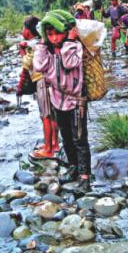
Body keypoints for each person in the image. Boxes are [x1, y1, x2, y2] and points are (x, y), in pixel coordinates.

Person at [32, 10, 91, 192]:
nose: (54, 38)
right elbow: (39, 66)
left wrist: (70, 41)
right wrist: (42, 44)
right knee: (65, 136)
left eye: (58, 33)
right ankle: (73, 168)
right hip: (57, 99)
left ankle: (85, 177)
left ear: (66, 32)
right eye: (50, 34)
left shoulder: (74, 47)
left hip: (76, 100)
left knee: (79, 139)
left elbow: (69, 63)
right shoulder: (47, 51)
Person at [19, 16, 60, 158]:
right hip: (51, 80)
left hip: (42, 80)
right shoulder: (43, 41)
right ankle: (54, 144)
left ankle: (48, 149)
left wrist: (22, 51)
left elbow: (28, 64)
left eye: (23, 28)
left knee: (45, 115)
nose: (22, 31)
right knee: (53, 114)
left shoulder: (32, 45)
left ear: (28, 30)